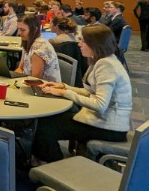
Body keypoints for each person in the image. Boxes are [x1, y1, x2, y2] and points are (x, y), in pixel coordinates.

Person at [32, 24, 132, 163]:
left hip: (110, 128)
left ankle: (58, 167)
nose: (79, 44)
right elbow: (90, 92)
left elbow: (100, 104)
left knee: (44, 130)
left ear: (95, 44)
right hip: (104, 121)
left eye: (83, 41)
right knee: (48, 121)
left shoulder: (106, 65)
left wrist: (65, 93)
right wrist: (63, 86)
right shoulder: (101, 59)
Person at [14, 14, 61, 82]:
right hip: (28, 82)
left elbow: (35, 80)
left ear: (34, 29)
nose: (18, 33)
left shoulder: (39, 49)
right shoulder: (27, 41)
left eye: (22, 30)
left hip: (45, 88)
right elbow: (20, 69)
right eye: (18, 29)